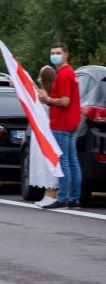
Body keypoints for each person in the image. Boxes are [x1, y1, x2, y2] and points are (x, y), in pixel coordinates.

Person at [39, 42, 82, 210]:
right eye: (52, 52)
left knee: (63, 161)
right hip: (70, 121)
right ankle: (74, 197)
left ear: (66, 54)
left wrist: (47, 99)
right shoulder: (70, 73)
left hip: (62, 123)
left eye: (58, 52)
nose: (54, 55)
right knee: (72, 160)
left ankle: (63, 197)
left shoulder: (64, 74)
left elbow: (64, 101)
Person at [31, 66, 60, 207]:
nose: (39, 79)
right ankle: (47, 193)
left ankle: (52, 193)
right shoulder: (44, 93)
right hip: (41, 130)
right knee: (42, 163)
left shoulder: (48, 94)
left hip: (46, 131)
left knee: (48, 162)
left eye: (40, 76)